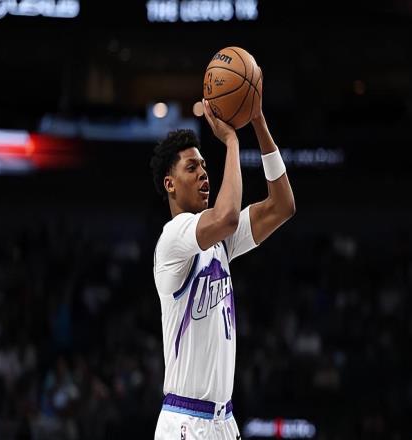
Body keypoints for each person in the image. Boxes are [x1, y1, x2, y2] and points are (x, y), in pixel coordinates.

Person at [150, 81, 296, 439]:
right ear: (170, 184)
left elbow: (282, 206)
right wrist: (231, 142)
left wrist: (258, 121)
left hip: (224, 419)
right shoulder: (173, 238)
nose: (204, 173)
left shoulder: (218, 242)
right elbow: (228, 217)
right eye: (192, 168)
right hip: (185, 420)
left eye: (204, 165)